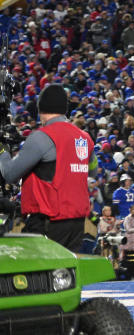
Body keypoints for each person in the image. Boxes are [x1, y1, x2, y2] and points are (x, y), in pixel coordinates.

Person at [0, 84, 95, 251]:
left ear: (41, 109)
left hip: (49, 221)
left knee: (37, 274)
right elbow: (92, 169)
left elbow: (9, 173)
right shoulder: (84, 137)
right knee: (65, 274)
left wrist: (2, 150)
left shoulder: (42, 137)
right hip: (77, 222)